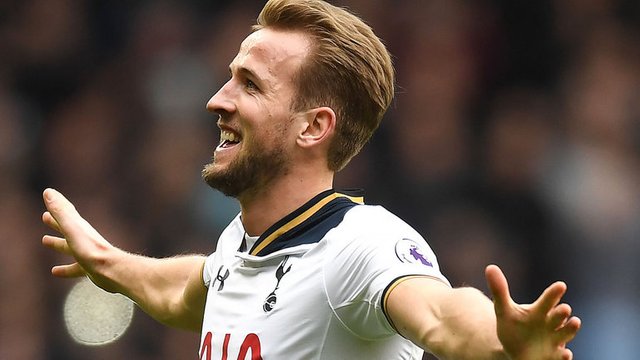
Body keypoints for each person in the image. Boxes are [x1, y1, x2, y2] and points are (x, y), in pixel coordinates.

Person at [41, 0, 581, 359]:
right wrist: (111, 263)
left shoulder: (357, 244)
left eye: (249, 86)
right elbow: (194, 290)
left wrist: (502, 344)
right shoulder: (241, 244)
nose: (217, 100)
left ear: (313, 127)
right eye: (229, 78)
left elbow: (439, 313)